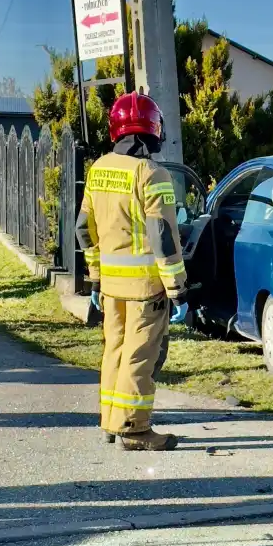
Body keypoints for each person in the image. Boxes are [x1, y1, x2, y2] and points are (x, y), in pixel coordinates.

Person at [75, 92, 188, 451]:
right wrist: (177, 288)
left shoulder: (98, 169)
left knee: (115, 352)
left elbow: (82, 228)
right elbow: (163, 236)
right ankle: (135, 430)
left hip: (111, 288)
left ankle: (110, 422)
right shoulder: (151, 173)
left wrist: (95, 276)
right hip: (145, 289)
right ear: (152, 131)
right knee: (141, 357)